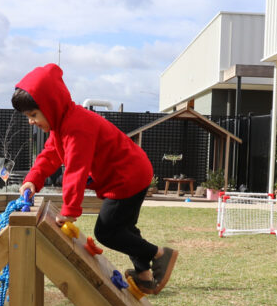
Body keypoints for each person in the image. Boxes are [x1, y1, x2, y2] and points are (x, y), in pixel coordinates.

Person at [13, 63, 178, 294]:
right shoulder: (61, 126)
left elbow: (75, 168)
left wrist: (70, 209)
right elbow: (49, 155)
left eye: (33, 114)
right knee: (125, 228)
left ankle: (160, 254)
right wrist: (33, 179)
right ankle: (144, 276)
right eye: (27, 116)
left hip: (127, 176)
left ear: (50, 106)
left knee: (107, 232)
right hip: (133, 171)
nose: (31, 120)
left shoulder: (75, 126)